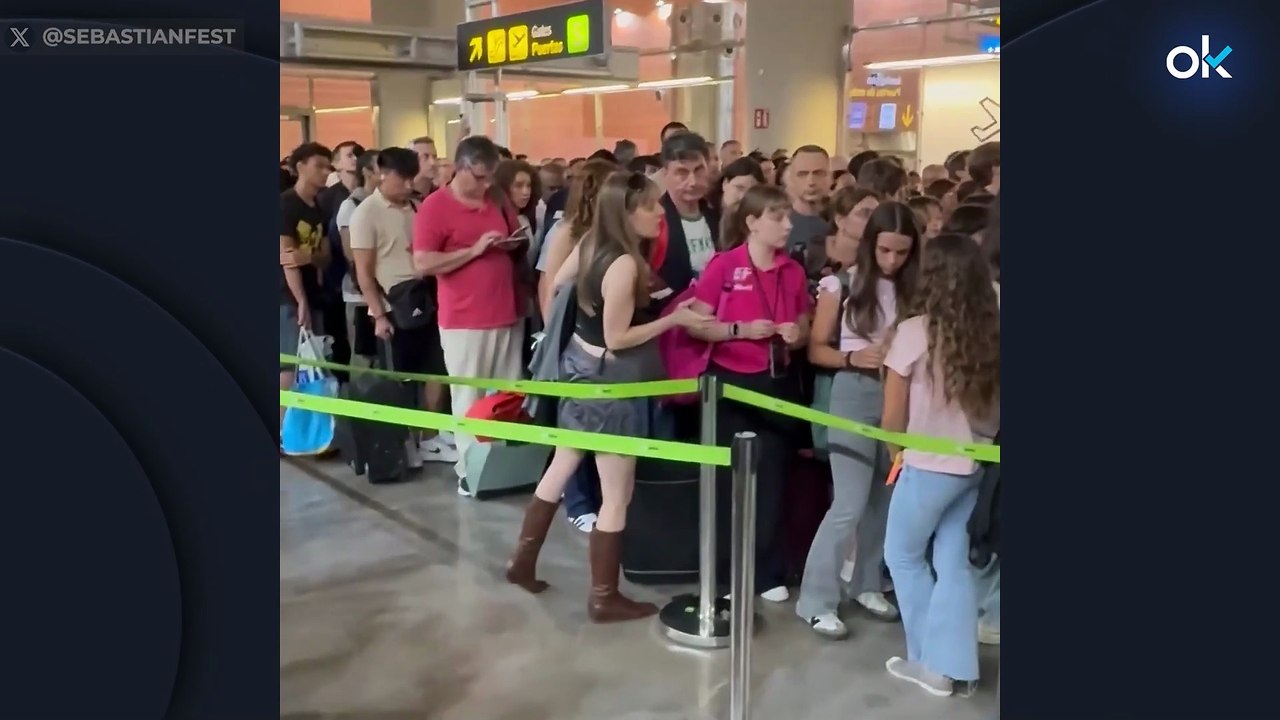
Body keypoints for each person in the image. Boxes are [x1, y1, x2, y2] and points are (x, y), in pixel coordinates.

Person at [504, 171, 714, 622]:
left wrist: (586, 320)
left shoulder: (590, 245)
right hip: (611, 385)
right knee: (617, 492)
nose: (661, 213)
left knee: (561, 466)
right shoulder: (621, 263)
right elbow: (620, 338)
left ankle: (522, 561)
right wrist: (671, 322)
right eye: (651, 206)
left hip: (581, 373)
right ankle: (603, 596)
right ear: (626, 211)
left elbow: (560, 284)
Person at [881, 232, 1000, 697]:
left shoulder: (914, 333)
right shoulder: (994, 335)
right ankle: (956, 666)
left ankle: (930, 661)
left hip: (926, 464)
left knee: (904, 557)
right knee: (952, 564)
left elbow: (892, 416)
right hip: (974, 464)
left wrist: (896, 451)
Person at [795, 201, 921, 638]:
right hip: (853, 390)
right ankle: (815, 598)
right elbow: (816, 348)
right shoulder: (841, 283)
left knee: (883, 502)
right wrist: (852, 356)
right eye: (885, 250)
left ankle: (867, 582)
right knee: (847, 503)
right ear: (870, 245)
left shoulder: (917, 290)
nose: (892, 260)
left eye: (901, 252)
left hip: (901, 396)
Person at [685, 184, 813, 602]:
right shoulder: (724, 266)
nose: (787, 225)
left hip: (777, 381)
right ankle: (724, 573)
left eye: (787, 216)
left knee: (774, 479)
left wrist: (795, 335)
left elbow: (805, 324)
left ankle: (768, 569)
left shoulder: (792, 271)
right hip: (731, 381)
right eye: (778, 217)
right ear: (752, 223)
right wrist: (738, 330)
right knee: (729, 480)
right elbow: (695, 322)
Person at [412, 136, 526, 495]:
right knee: (469, 396)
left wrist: (511, 243)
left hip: (505, 310)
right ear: (459, 168)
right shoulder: (435, 207)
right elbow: (424, 263)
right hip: (463, 318)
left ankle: (506, 465)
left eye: (490, 177)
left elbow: (510, 237)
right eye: (478, 177)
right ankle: (470, 470)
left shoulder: (496, 199)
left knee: (509, 395)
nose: (485, 184)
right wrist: (474, 251)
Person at [349, 148, 458, 469]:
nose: (408, 184)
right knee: (399, 378)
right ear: (383, 173)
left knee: (436, 370)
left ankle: (430, 436)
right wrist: (379, 315)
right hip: (392, 304)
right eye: (402, 178)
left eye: (413, 178)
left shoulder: (418, 207)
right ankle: (402, 441)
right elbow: (363, 272)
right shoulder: (365, 213)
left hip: (425, 297)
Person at [279, 142, 332, 429]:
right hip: (287, 296)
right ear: (300, 167)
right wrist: (300, 301)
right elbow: (286, 258)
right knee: (289, 363)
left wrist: (308, 256)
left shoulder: (318, 207)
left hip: (314, 293)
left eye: (327, 167)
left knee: (311, 362)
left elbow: (324, 257)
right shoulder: (286, 204)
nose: (325, 173)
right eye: (319, 166)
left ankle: (304, 430)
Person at [655, 131, 719, 292]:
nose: (693, 182)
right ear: (665, 174)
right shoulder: (654, 221)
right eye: (682, 173)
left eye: (699, 170)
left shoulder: (718, 216)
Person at [784, 145, 832, 253]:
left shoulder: (844, 222)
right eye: (802, 174)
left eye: (819, 173)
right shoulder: (776, 224)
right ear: (791, 179)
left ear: (831, 177)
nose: (811, 182)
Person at [707, 156, 766, 242]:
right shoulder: (706, 215)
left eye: (751, 191)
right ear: (725, 183)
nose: (743, 196)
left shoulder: (755, 223)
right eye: (739, 188)